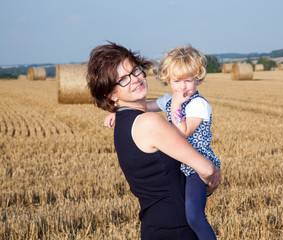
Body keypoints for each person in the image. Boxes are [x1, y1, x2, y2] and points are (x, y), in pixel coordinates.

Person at [86, 42, 221, 240]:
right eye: (123, 79)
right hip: (177, 230)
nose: (135, 79)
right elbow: (207, 170)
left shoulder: (123, 124)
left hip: (154, 228)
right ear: (110, 93)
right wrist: (211, 178)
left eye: (135, 71)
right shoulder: (149, 123)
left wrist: (113, 110)